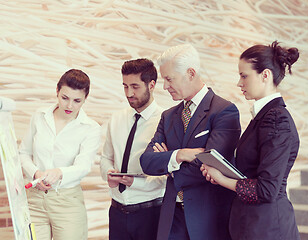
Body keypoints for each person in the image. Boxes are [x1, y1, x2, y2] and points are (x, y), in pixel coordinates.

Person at [140, 44, 241, 240]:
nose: (164, 86)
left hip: (208, 221)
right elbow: (146, 161)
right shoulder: (168, 116)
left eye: (169, 79)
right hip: (172, 219)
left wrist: (168, 163)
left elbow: (210, 167)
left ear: (191, 73)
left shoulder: (224, 111)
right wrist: (179, 155)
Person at [201, 41, 300, 240]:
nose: (239, 83)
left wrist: (222, 179)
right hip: (252, 224)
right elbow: (250, 172)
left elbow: (266, 189)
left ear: (265, 75)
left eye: (244, 76)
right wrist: (220, 170)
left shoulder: (275, 118)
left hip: (267, 228)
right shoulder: (264, 116)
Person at [19, 69, 101, 240]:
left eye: (77, 100)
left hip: (67, 203)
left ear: (85, 98)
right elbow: (24, 153)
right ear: (57, 91)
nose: (70, 106)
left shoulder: (90, 128)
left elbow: (83, 165)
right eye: (65, 98)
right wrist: (36, 173)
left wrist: (59, 173)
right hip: (35, 200)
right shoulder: (39, 116)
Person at [100, 58, 166, 240]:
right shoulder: (116, 118)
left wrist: (134, 182)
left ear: (151, 85)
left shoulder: (166, 121)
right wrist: (108, 173)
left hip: (150, 214)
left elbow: (168, 174)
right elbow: (106, 157)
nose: (129, 93)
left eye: (135, 86)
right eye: (125, 86)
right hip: (117, 212)